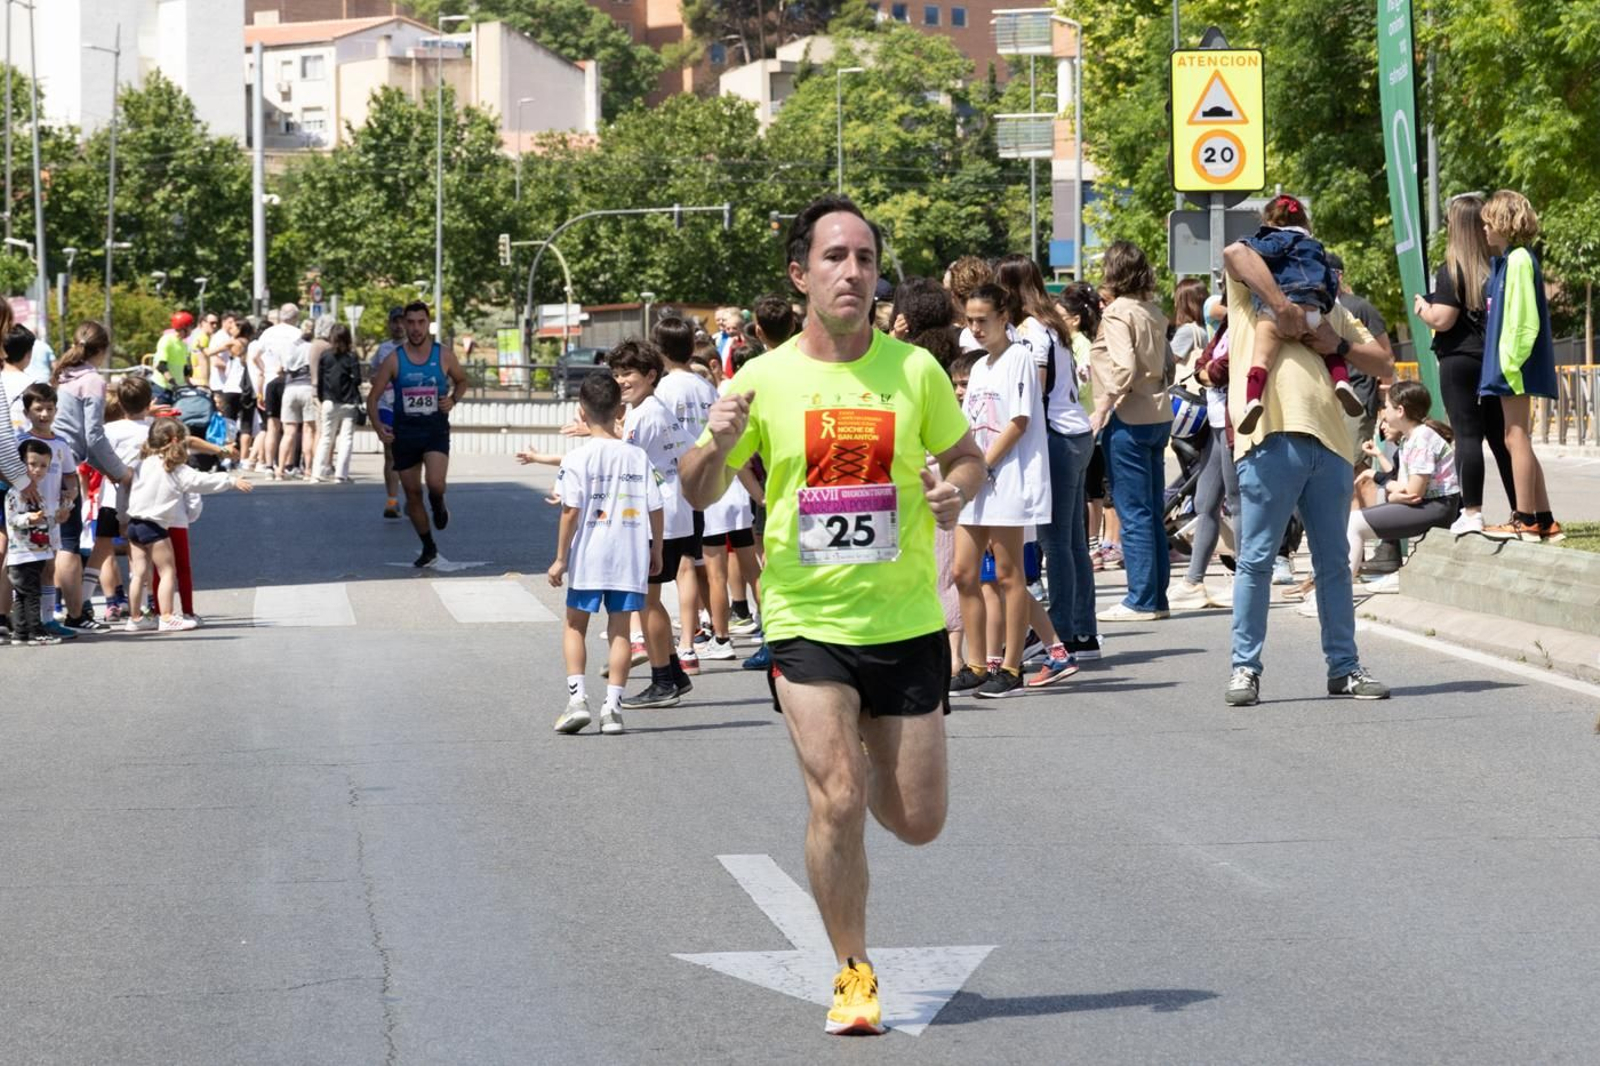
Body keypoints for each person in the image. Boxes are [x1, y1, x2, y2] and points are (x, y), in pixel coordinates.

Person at [679, 195, 986, 1035]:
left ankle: (869, 758)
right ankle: (853, 972)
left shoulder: (913, 372)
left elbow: (966, 455)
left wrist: (958, 486)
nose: (851, 272)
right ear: (799, 273)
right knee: (837, 797)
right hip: (806, 617)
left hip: (905, 620)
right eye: (834, 258)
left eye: (864, 259)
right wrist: (712, 440)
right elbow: (700, 489)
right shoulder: (761, 379)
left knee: (916, 821)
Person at [1221, 221, 1396, 706]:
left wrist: (1337, 345)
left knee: (1334, 564)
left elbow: (1384, 365)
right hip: (1268, 439)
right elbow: (1235, 249)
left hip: (1333, 446)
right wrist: (1280, 305)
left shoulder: (1331, 308)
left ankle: (1344, 667)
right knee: (1255, 560)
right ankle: (1244, 669)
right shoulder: (1249, 297)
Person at [546, 373, 664, 736]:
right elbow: (656, 507)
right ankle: (612, 708)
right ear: (619, 409)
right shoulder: (637, 456)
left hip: (589, 557)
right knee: (620, 633)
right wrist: (656, 549)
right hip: (629, 554)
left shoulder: (576, 458)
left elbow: (570, 511)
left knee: (574, 625)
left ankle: (577, 699)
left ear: (581, 412)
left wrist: (560, 558)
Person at [996, 253, 1094, 677]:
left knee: (1057, 542)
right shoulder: (1051, 323)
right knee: (1072, 541)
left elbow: (1032, 393)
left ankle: (1066, 632)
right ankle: (1082, 631)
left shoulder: (1030, 331)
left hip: (1056, 436)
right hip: (1076, 432)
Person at [1412, 193, 1517, 535]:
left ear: (1454, 228)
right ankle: (1523, 509)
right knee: (1501, 438)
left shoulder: (1452, 269)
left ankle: (1472, 512)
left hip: (1458, 360)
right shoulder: (1498, 267)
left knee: (1468, 435)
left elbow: (1442, 319)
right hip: (1492, 359)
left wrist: (1422, 308)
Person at [607, 340, 699, 709]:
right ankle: (673, 673)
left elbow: (622, 462)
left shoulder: (645, 413)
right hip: (671, 511)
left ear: (650, 374)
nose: (621, 381)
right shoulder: (650, 409)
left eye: (628, 373)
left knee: (648, 600)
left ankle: (663, 679)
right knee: (649, 597)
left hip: (657, 516)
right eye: (616, 374)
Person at [1088, 241, 1173, 623]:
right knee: (1152, 511)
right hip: (1157, 412)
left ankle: (1141, 599)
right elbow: (1168, 361)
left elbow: (1121, 366)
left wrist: (1103, 405)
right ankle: (1156, 596)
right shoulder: (1153, 311)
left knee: (1133, 510)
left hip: (1127, 415)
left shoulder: (1117, 313)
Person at [1233, 196, 1365, 435]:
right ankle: (1343, 382)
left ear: (1270, 221)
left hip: (1276, 310)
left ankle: (1252, 400)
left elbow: (1246, 252)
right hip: (1311, 308)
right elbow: (1330, 280)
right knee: (1330, 349)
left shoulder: (1276, 238)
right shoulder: (1315, 247)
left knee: (1261, 360)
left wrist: (1250, 241)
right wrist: (1322, 308)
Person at [1475, 190, 1562, 542]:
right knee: (1516, 438)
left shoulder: (1520, 260)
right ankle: (1544, 520)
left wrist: (1509, 364)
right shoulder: (1512, 260)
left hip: (1514, 366)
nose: (1484, 230)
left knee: (1515, 437)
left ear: (1503, 223)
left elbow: (1525, 321)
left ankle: (1524, 519)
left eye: (1487, 223)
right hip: (1511, 365)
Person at [124, 419, 252, 633]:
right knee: (167, 571)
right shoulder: (173, 467)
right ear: (176, 441)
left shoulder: (142, 461)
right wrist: (230, 480)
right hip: (155, 525)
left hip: (134, 523)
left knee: (138, 573)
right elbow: (200, 481)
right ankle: (166, 616)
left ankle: (135, 618)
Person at [367, 302, 468, 568]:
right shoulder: (394, 359)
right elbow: (373, 397)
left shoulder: (443, 355)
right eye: (410, 323)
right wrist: (379, 428)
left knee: (435, 484)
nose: (414, 328)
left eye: (420, 322)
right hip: (405, 433)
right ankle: (428, 546)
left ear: (428, 324)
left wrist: (453, 400)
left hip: (435, 429)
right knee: (412, 494)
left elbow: (463, 380)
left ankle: (438, 503)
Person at [52, 322, 131, 629]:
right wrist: (119, 472)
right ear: (102, 350)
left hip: (52, 460)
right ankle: (76, 614)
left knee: (53, 544)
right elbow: (94, 436)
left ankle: (51, 611)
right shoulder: (93, 381)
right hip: (68, 467)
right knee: (69, 545)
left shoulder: (63, 375)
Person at [651, 317, 717, 674]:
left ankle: (645, 637)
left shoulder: (660, 390)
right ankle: (689, 646)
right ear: (692, 348)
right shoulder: (706, 388)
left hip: (665, 487)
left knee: (656, 567)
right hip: (700, 485)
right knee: (688, 564)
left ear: (658, 352)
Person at [1347, 380, 1460, 583]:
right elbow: (1402, 487)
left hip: (1437, 507)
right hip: (1429, 505)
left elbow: (1412, 493)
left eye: (1387, 406)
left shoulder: (1421, 439)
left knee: (1354, 523)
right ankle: (1338, 586)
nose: (1384, 411)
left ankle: (1338, 590)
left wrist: (1391, 489)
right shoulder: (1410, 439)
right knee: (1353, 521)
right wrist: (1395, 493)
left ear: (1400, 410)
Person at [1172, 313, 1241, 611]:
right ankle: (1193, 581)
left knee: (1237, 503)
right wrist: (1206, 370)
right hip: (1215, 421)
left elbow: (1220, 370)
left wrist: (1208, 371)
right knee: (1205, 500)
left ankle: (1246, 579)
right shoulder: (1226, 326)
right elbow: (1206, 361)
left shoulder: (1246, 325)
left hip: (1234, 421)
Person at [17, 383, 82, 639]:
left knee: (48, 567)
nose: (44, 414)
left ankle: (47, 619)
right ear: (27, 412)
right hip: (24, 517)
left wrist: (69, 501)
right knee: (24, 569)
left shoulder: (61, 445)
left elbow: (70, 478)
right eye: (38, 409)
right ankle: (24, 621)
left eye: (49, 408)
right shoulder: (20, 441)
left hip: (52, 517)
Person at [5, 439, 60, 645]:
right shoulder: (16, 493)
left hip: (36, 551)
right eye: (32, 464)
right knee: (30, 594)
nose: (38, 470)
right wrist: (30, 518)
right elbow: (13, 519)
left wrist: (56, 518)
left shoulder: (37, 493)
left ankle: (21, 633)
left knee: (22, 595)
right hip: (22, 553)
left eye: (43, 465)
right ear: (21, 464)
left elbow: (44, 520)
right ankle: (36, 632)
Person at [254, 304, 304, 481]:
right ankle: (288, 465)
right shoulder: (297, 333)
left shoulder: (269, 332)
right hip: (290, 382)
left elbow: (254, 356)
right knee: (291, 427)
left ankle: (268, 466)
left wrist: (266, 370)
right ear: (295, 317)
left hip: (270, 382)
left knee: (271, 426)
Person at [312, 323, 362, 483]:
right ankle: (341, 474)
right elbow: (358, 379)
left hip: (329, 401)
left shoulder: (325, 355)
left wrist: (321, 397)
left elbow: (319, 380)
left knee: (326, 438)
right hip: (348, 402)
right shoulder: (351, 356)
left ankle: (316, 473)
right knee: (346, 438)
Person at [275, 313, 321, 479]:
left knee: (288, 432)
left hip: (290, 388)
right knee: (309, 431)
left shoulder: (290, 346)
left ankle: (279, 469)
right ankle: (308, 469)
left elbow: (281, 368)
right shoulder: (314, 347)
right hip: (308, 388)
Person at [373, 308, 405, 517]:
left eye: (402, 321)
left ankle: (413, 498)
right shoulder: (383, 349)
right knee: (391, 454)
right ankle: (392, 501)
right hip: (387, 407)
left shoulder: (417, 348)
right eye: (394, 321)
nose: (398, 326)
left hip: (411, 409)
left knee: (414, 456)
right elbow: (373, 373)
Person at [157, 312, 195, 387]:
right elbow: (161, 366)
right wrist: (172, 382)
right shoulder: (167, 340)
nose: (192, 330)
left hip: (177, 387)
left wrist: (190, 385)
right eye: (190, 327)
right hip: (162, 387)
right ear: (183, 328)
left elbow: (184, 369)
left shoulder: (184, 345)